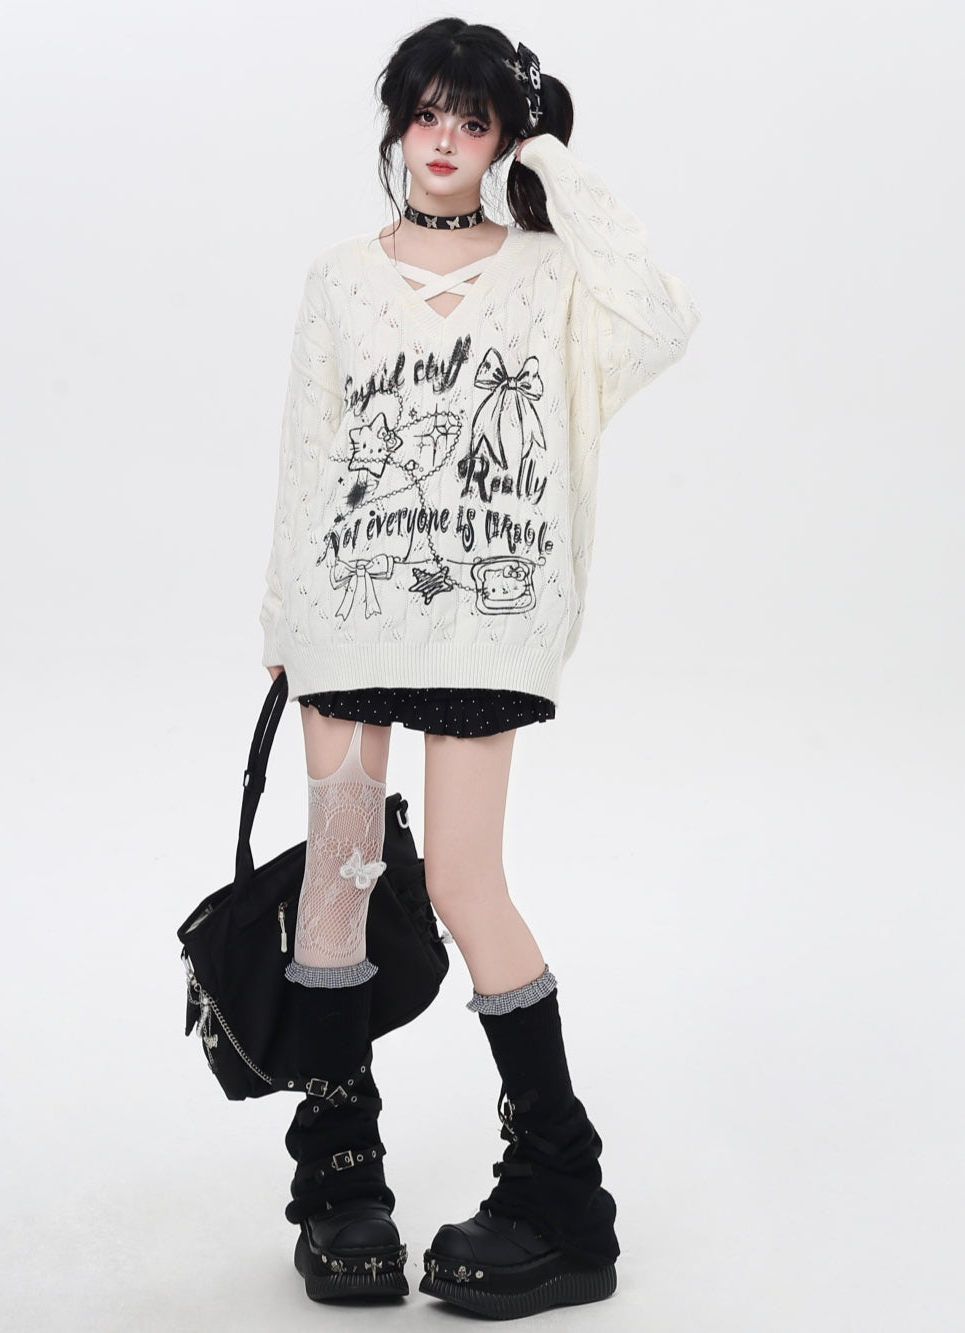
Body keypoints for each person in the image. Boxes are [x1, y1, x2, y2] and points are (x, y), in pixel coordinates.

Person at [258, 16, 699, 1319]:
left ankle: (561, 1192)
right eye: (427, 113)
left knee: (462, 879)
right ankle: (341, 1184)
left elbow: (663, 318)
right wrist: (282, 616)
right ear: (396, 123)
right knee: (336, 880)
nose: (445, 139)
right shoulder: (340, 278)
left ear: (505, 135)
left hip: (483, 622)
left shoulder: (552, 278)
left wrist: (552, 158)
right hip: (346, 616)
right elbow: (307, 450)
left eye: (476, 119)